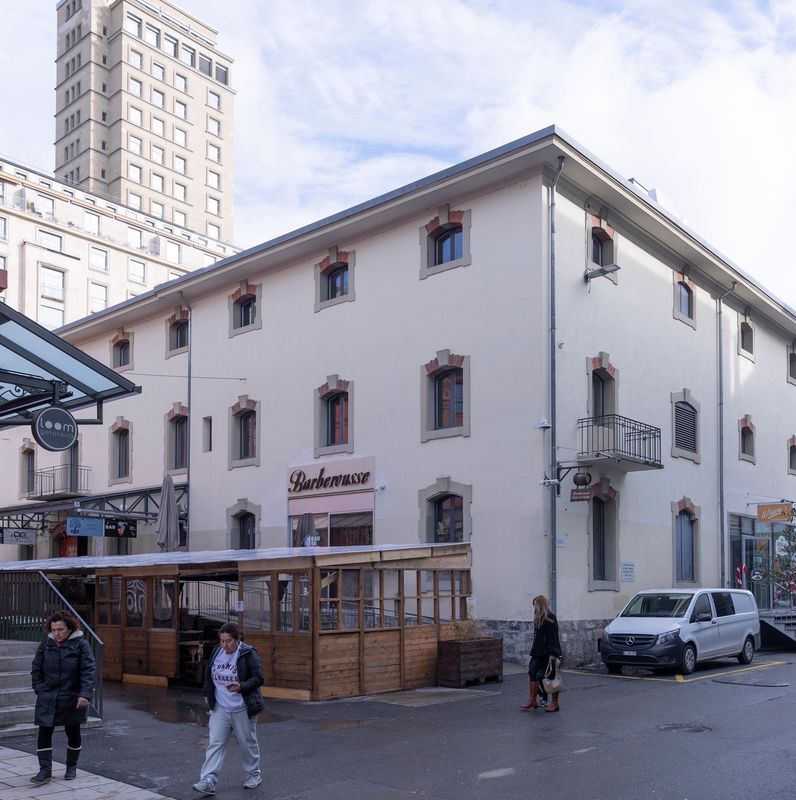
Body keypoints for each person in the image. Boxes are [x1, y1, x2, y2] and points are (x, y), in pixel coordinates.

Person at [193, 621, 266, 795]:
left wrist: (241, 686)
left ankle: (253, 774)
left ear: (237, 639)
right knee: (216, 743)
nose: (225, 645)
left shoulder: (247, 653)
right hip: (220, 707)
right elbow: (208, 674)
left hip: (242, 707)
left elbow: (259, 678)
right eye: (222, 641)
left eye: (228, 641)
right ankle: (208, 780)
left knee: (247, 743)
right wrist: (207, 692)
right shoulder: (217, 651)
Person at [30, 609, 96, 784]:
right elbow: (36, 668)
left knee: (72, 731)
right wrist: (39, 689)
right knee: (44, 731)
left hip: (71, 696)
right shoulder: (46, 644)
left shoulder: (81, 645)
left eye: (60, 629)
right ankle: (45, 771)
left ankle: (71, 767)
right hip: (48, 696)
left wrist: (84, 694)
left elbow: (88, 671)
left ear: (70, 629)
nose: (56, 633)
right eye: (53, 630)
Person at [520, 594, 562, 713]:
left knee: (551, 676)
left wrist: (553, 654)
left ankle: (555, 703)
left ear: (541, 605)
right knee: (532, 672)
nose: (534, 608)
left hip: (549, 652)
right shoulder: (537, 616)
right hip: (537, 651)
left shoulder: (550, 617)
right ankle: (533, 699)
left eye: (536, 605)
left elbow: (553, 636)